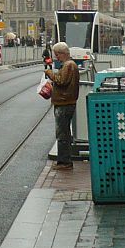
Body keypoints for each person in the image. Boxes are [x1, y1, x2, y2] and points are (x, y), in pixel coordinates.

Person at [45, 42, 79, 170]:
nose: (56, 57)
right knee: (64, 132)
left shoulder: (69, 65)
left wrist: (50, 73)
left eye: (57, 54)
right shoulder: (69, 65)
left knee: (62, 133)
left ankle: (64, 162)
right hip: (65, 102)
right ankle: (64, 160)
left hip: (64, 104)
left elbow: (61, 81)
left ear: (62, 53)